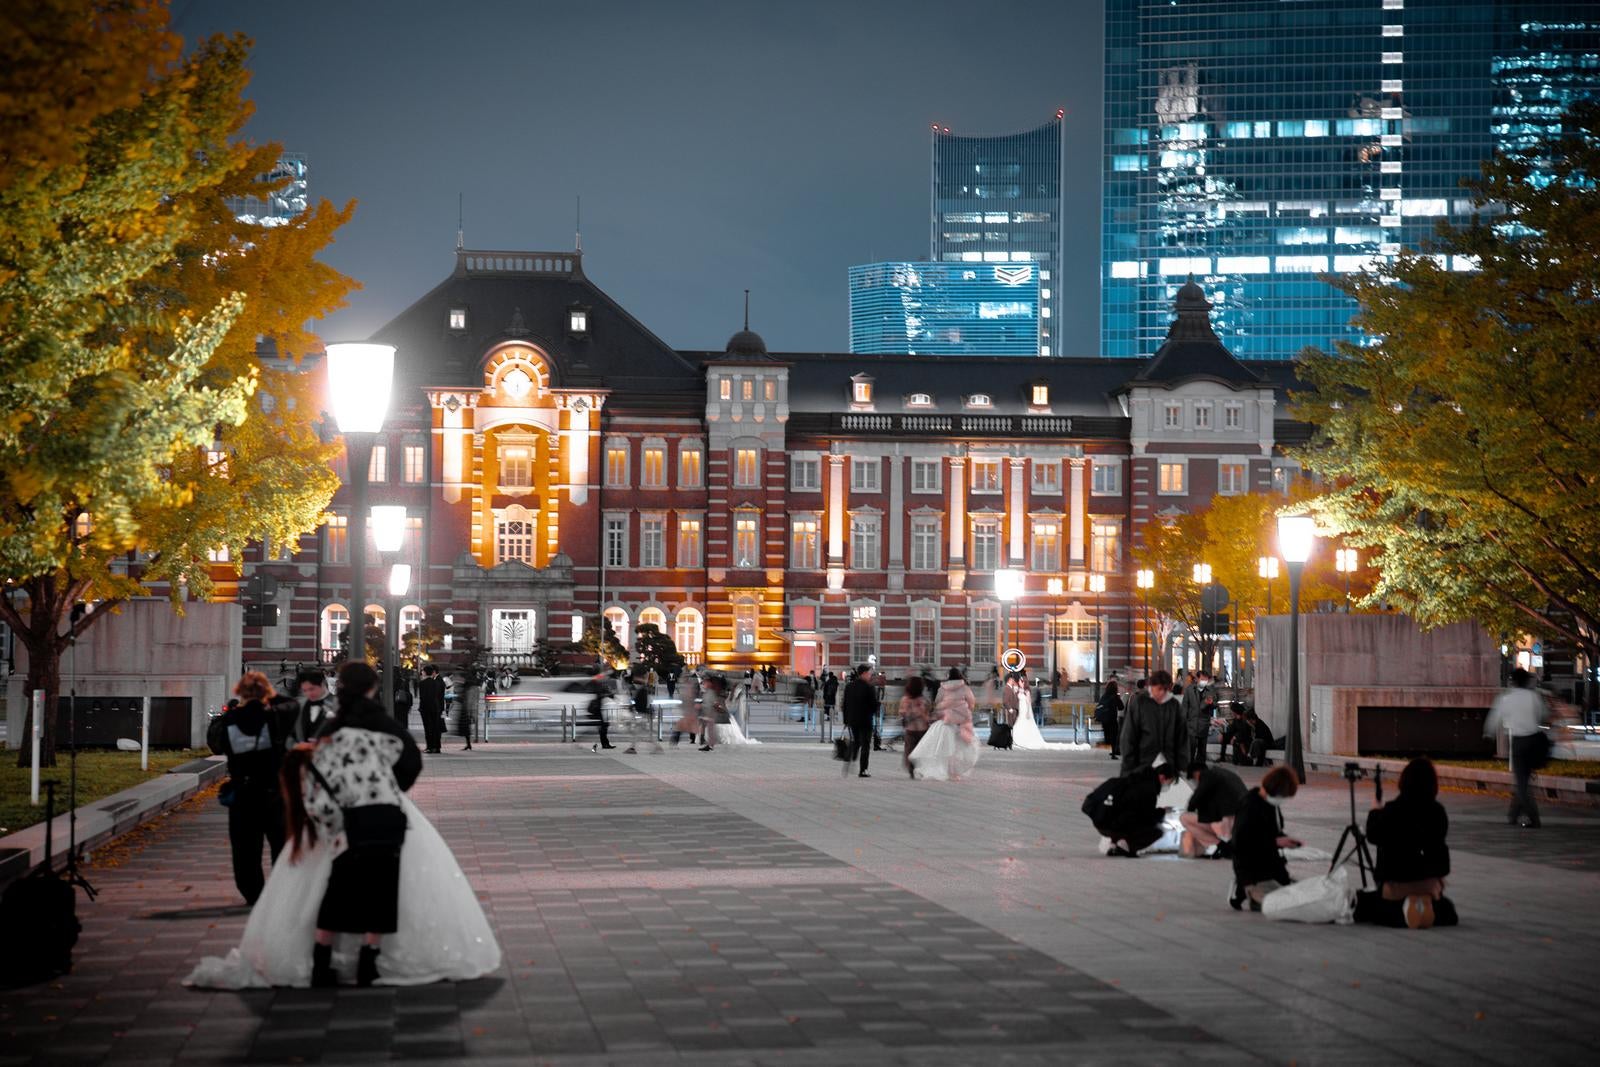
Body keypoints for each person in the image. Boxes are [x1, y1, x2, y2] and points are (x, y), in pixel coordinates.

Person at [185, 663, 500, 990]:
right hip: (383, 815)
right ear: (372, 689)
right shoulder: (381, 728)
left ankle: (322, 957)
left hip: (338, 820)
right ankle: (370, 958)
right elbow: (408, 761)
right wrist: (387, 789)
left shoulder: (329, 732)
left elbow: (312, 778)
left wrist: (327, 819)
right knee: (383, 891)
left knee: (332, 891)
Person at [207, 672, 296, 905]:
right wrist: (270, 699)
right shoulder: (274, 717)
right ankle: (280, 890)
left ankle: (253, 893)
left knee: (245, 849)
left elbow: (216, 745)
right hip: (273, 791)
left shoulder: (230, 720)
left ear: (241, 692)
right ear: (266, 692)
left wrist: (233, 708)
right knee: (280, 844)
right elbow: (293, 705)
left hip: (243, 791)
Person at [1359, 758, 1458, 929]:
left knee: (1364, 902)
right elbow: (1441, 858)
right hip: (1427, 885)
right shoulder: (1437, 812)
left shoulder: (1391, 810)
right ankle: (1422, 908)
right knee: (1447, 908)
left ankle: (1403, 911)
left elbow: (1373, 835)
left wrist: (1374, 812)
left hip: (1395, 886)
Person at [1484, 668, 1551, 828]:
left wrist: (1488, 734)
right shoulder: (1534, 696)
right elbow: (1544, 715)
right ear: (1527, 681)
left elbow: (1495, 718)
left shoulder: (1506, 698)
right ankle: (1513, 815)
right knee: (1524, 780)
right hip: (1534, 740)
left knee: (1521, 782)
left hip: (1519, 742)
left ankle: (1533, 818)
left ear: (1513, 680)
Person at [1229, 766, 1302, 911]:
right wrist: (1275, 842)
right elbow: (1241, 843)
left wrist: (1285, 840)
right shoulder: (1249, 805)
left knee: (1298, 896)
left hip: (1270, 865)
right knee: (1282, 904)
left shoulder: (1271, 805)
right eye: (1282, 796)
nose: (1282, 800)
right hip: (1251, 869)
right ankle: (1245, 888)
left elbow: (1274, 832)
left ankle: (1257, 894)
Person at [1084, 760, 1181, 856]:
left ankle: (1115, 843)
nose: (1168, 786)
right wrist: (1162, 812)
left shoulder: (1132, 779)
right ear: (1162, 777)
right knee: (1157, 831)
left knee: (1125, 815)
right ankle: (1127, 846)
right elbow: (1148, 819)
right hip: (1113, 825)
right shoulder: (1148, 789)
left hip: (1100, 822)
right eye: (1169, 782)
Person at [910, 668, 981, 782]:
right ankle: (955, 772)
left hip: (947, 721)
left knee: (947, 748)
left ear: (948, 676)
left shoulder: (943, 688)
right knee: (961, 748)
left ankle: (946, 770)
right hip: (961, 722)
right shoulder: (964, 687)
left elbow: (938, 702)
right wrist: (966, 710)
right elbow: (971, 702)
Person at [1119, 669, 1188, 776]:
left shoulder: (1174, 705)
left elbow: (1181, 737)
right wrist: (1129, 764)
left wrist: (1182, 764)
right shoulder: (1140, 702)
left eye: (1166, 690)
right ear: (1152, 687)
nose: (1163, 693)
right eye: (1160, 689)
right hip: (1142, 762)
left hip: (1168, 763)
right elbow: (1128, 735)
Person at [1180, 763, 1247, 858]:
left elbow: (1198, 795)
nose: (1196, 782)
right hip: (1243, 818)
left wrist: (1189, 809)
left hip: (1229, 821)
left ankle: (1224, 845)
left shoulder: (1208, 775)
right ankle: (1226, 846)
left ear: (1196, 773)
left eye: (1194, 779)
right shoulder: (1224, 775)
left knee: (1185, 818)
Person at [840, 663, 878, 778]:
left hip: (852, 720)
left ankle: (849, 758)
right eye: (869, 673)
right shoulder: (869, 687)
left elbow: (844, 705)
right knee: (865, 744)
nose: (870, 675)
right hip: (865, 720)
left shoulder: (849, 686)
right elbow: (873, 706)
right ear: (864, 673)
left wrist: (846, 720)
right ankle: (863, 769)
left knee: (856, 741)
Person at [290, 669, 338, 743]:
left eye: (312, 689)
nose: (308, 694)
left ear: (322, 684)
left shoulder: (339, 704)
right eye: (305, 690)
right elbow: (291, 734)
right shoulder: (300, 704)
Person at [1181, 671, 1216, 769]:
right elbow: (1185, 707)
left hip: (1203, 723)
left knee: (1202, 748)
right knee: (1190, 747)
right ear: (1197, 679)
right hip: (1191, 723)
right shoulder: (1189, 690)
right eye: (1202, 679)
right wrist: (1183, 722)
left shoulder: (1210, 691)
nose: (1204, 681)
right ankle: (1190, 767)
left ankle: (1200, 767)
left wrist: (1211, 703)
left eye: (1206, 679)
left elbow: (1215, 705)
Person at [899, 675, 931, 779]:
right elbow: (926, 715)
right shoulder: (923, 700)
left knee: (910, 749)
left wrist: (908, 712)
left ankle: (911, 768)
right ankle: (919, 768)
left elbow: (902, 712)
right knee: (921, 749)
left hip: (911, 729)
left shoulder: (905, 699)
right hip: (922, 729)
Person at [583, 669, 617, 751]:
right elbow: (599, 695)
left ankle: (605, 743)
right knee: (603, 726)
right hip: (597, 708)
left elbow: (608, 695)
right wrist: (608, 694)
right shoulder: (596, 683)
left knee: (604, 726)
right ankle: (605, 744)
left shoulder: (599, 683)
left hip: (599, 708)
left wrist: (609, 693)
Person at [416, 664, 446, 754]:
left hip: (426, 709)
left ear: (425, 672)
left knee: (427, 728)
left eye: (422, 671)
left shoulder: (422, 684)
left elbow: (422, 697)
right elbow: (438, 696)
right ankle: (436, 747)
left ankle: (429, 747)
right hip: (435, 708)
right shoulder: (436, 683)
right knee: (435, 728)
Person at [1095, 679, 1123, 760]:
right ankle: (1113, 753)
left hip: (1104, 720)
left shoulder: (1104, 696)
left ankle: (1110, 748)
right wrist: (1118, 697)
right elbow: (1121, 707)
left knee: (1108, 736)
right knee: (1114, 736)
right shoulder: (1115, 696)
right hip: (1112, 719)